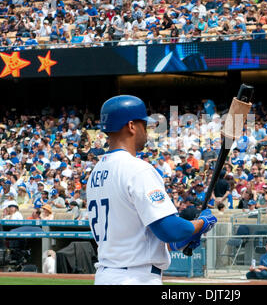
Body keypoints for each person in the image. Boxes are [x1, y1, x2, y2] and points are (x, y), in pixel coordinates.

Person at [86, 95, 217, 285]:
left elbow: (134, 233)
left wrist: (178, 241)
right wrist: (202, 224)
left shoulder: (95, 173)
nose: (146, 131)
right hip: (136, 278)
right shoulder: (137, 168)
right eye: (143, 125)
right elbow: (169, 229)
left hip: (107, 276)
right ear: (131, 126)